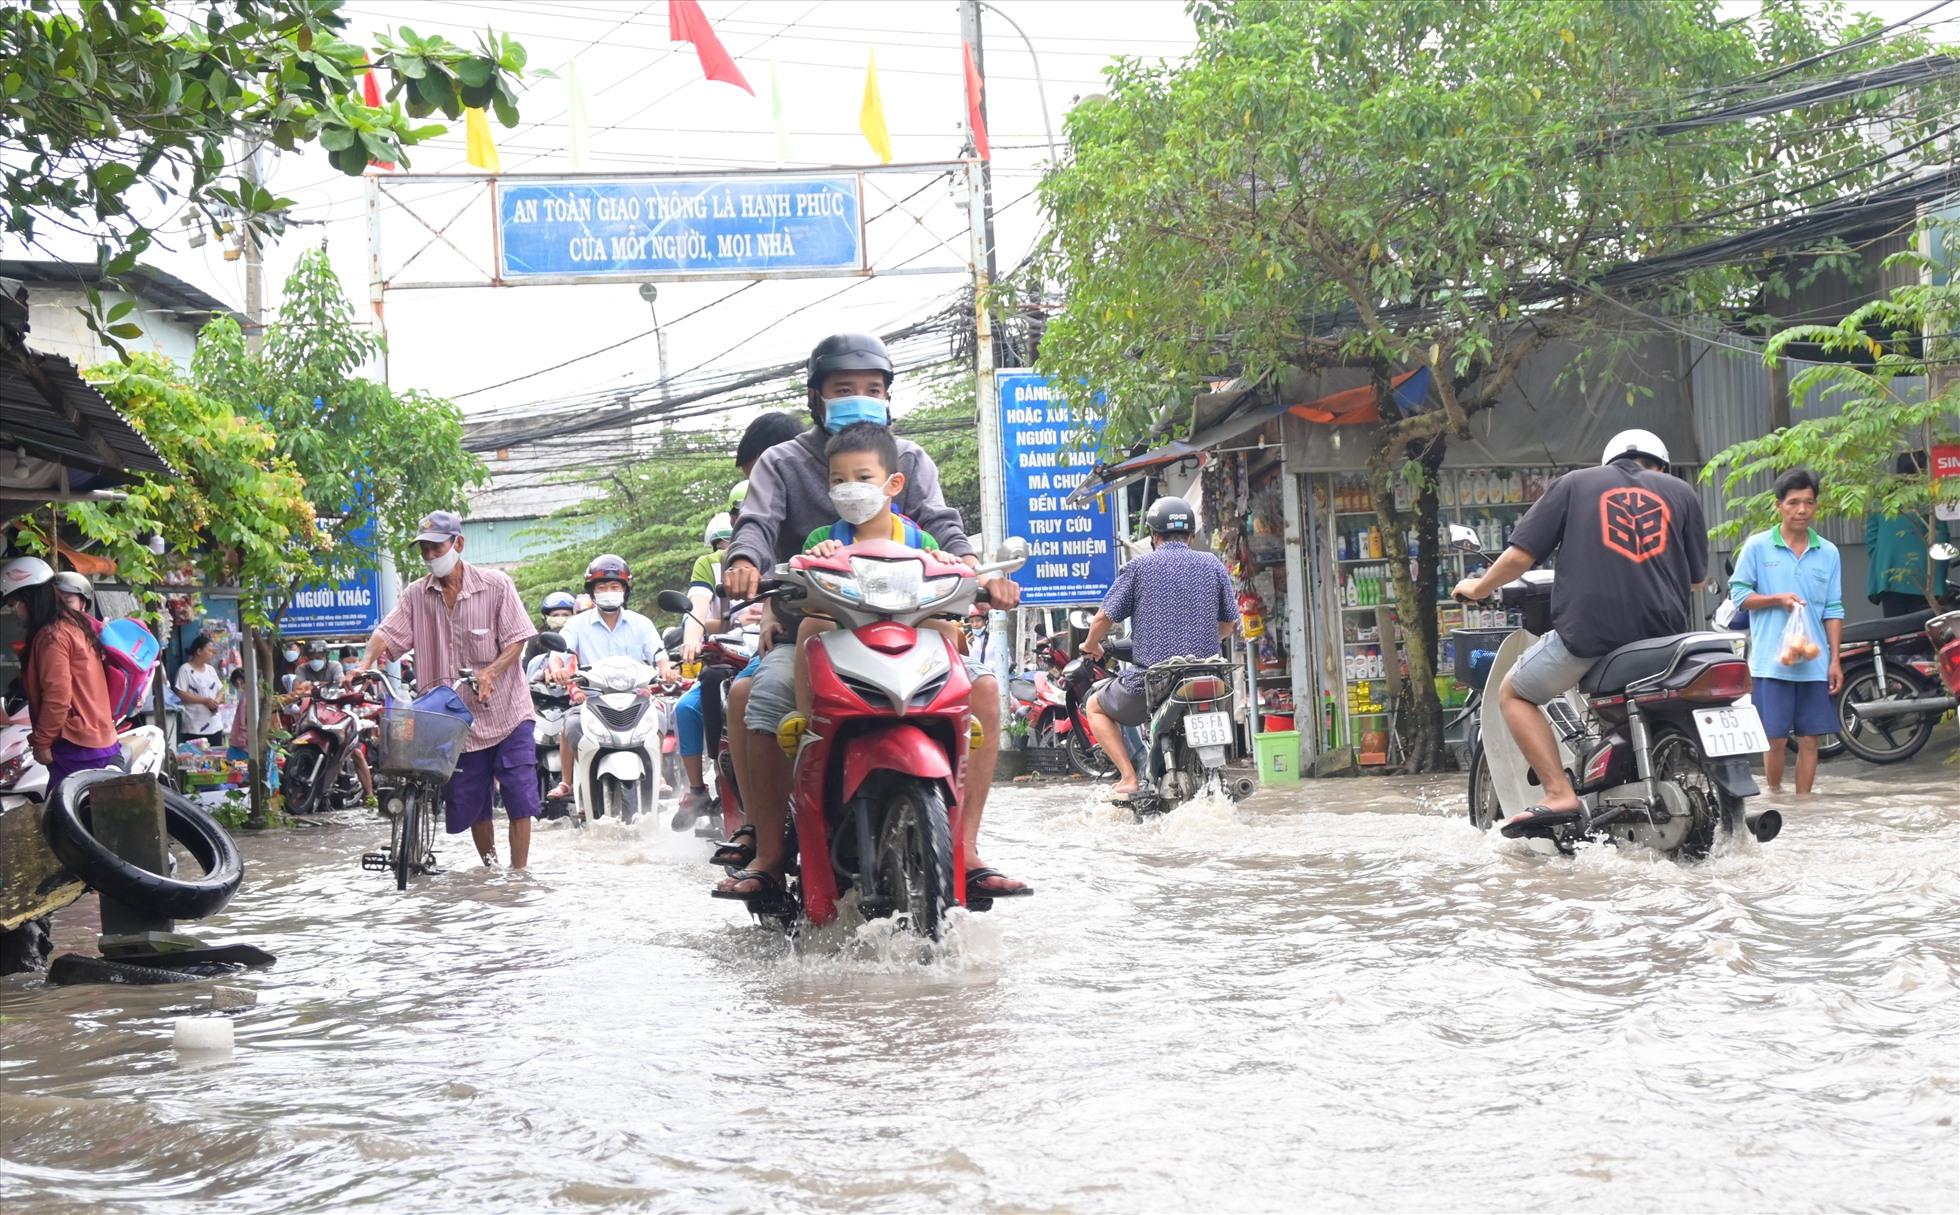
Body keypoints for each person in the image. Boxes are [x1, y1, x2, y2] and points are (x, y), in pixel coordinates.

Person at [720, 332, 1027, 905]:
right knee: (757, 698)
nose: (860, 397)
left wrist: (977, 574)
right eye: (844, 389)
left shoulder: (908, 458)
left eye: (872, 389)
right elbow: (757, 524)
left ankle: (967, 847)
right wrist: (743, 562)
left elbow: (946, 528)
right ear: (815, 397)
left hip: (911, 628)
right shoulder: (782, 463)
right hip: (813, 626)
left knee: (982, 690)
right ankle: (767, 854)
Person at [1450, 429, 1708, 832]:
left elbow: (1521, 556)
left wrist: (1478, 587)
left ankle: (1559, 793)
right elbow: (1696, 581)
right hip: (1662, 640)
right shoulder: (1683, 493)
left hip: (1592, 634)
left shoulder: (1573, 484)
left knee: (1513, 692)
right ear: (1662, 465)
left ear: (1609, 461)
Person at [355, 511, 539, 869]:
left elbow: (518, 640)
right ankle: (490, 867)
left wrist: (491, 672)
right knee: (472, 801)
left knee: (519, 794)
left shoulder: (496, 585)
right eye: (424, 549)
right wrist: (364, 664)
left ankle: (519, 875)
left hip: (507, 712)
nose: (430, 556)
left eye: (435, 547)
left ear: (458, 544)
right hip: (453, 721)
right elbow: (386, 633)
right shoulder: (415, 596)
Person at [779, 423, 970, 749]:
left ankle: (957, 712)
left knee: (947, 630)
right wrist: (814, 559)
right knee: (810, 626)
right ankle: (805, 715)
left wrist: (946, 562)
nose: (849, 488)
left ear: (894, 483)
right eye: (838, 480)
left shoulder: (918, 541)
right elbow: (803, 584)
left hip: (910, 633)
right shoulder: (823, 539)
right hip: (845, 633)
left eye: (863, 478)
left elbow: (940, 575)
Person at [1080, 497, 1241, 797]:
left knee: (1095, 706)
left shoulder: (1138, 567)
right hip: (1210, 678)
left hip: (1151, 682)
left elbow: (1103, 617)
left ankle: (1128, 777)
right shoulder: (1212, 564)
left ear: (1154, 537)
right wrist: (1202, 639)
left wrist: (1091, 645)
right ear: (1192, 536)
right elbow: (1230, 624)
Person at [1731, 469, 1844, 795]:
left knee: (1810, 739)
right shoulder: (1758, 547)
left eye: (1809, 502)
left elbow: (1833, 610)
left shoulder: (1829, 552)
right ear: (1779, 505)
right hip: (1771, 661)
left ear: (1816, 506)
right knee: (1775, 738)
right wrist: (1776, 599)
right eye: (1793, 502)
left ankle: (1804, 807)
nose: (1801, 510)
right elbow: (1739, 597)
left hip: (1813, 662)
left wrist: (1834, 660)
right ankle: (1777, 799)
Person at [543, 554, 673, 803]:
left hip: (637, 700)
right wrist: (557, 668)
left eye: (615, 587)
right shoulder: (577, 624)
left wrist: (665, 669)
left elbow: (659, 655)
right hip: (592, 701)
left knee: (658, 718)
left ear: (625, 590)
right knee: (570, 723)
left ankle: (657, 775)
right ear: (592, 593)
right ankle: (569, 783)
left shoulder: (641, 624)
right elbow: (558, 654)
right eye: (602, 587)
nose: (608, 592)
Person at [0, 557, 120, 799]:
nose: (15, 612)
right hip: (97, 740)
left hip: (75, 746)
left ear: (29, 598)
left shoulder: (51, 636)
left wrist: (42, 742)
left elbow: (57, 697)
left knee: (65, 827)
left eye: (15, 604)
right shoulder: (74, 627)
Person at [672, 507, 738, 821]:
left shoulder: (781, 553)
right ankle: (699, 789)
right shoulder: (709, 565)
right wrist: (692, 638)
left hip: (767, 652)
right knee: (685, 708)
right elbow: (697, 609)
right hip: (726, 656)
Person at [1865, 452, 1951, 617]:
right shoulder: (1930, 500)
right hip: (1925, 576)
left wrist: (1885, 561)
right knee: (1922, 632)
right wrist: (1940, 580)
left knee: (1895, 632)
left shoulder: (1881, 500)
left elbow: (1871, 542)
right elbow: (1941, 538)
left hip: (1889, 576)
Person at [173, 633, 227, 747]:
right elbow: (181, 693)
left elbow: (220, 689)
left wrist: (216, 701)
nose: (212, 653)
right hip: (195, 726)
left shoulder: (211, 670)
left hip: (214, 724)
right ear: (199, 651)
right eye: (209, 650)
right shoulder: (185, 670)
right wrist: (205, 700)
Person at [524, 590, 579, 673]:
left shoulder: (580, 634)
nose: (560, 618)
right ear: (546, 618)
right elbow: (526, 667)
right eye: (555, 615)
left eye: (565, 615)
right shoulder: (536, 640)